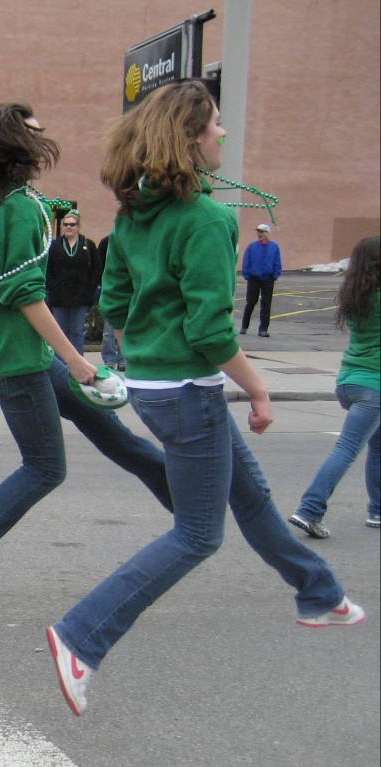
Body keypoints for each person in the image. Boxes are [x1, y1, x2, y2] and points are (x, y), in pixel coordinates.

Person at [47, 81, 363, 718]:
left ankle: (318, 590)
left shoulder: (136, 215)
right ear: (188, 138)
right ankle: (81, 635)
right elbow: (213, 332)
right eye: (215, 126)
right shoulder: (211, 220)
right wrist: (259, 387)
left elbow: (112, 303)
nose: (223, 135)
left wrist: (144, 349)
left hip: (156, 387)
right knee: (197, 536)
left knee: (250, 495)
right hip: (188, 391)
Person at [0, 100, 177, 615]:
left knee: (114, 435)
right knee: (44, 468)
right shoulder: (21, 208)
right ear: (16, 144)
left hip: (13, 353)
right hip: (18, 359)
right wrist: (79, 360)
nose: (44, 136)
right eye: (34, 130)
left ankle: (194, 504)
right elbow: (23, 294)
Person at [289, 235, 380, 537]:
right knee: (347, 448)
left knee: (377, 445)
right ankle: (310, 509)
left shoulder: (356, 294)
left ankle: (377, 510)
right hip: (374, 386)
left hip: (350, 382)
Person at [45, 210, 101, 355]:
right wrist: (52, 286)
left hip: (80, 296)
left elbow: (96, 268)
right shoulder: (55, 246)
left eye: (72, 224)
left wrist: (90, 286)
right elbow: (47, 268)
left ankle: (78, 363)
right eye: (66, 224)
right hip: (59, 296)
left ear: (78, 226)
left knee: (76, 331)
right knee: (60, 332)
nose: (69, 227)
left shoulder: (88, 245)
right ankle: (61, 364)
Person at [240, 223, 281, 336]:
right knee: (251, 303)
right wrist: (247, 275)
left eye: (261, 232)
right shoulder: (252, 246)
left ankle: (263, 329)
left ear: (267, 233)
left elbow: (277, 262)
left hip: (268, 279)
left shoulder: (274, 247)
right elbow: (246, 261)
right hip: (254, 278)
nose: (259, 234)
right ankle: (244, 326)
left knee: (266, 304)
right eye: (258, 231)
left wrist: (275, 275)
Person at [95, 235, 125, 370]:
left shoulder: (128, 240)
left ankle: (124, 359)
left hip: (127, 290)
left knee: (126, 328)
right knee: (109, 330)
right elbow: (98, 265)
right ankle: (109, 359)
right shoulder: (106, 242)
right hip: (110, 289)